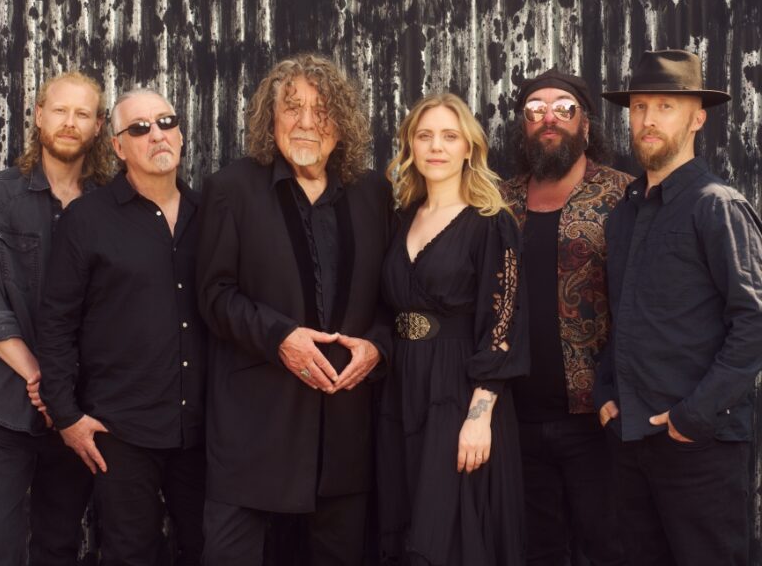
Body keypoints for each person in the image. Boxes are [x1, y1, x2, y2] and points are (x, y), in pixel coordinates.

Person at [196, 54, 392, 566]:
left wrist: (378, 347)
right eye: (292, 107)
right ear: (271, 118)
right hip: (254, 430)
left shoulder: (373, 193)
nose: (307, 122)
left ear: (341, 123)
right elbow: (214, 295)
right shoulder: (231, 189)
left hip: (343, 435)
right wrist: (279, 337)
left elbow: (393, 297)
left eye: (322, 109)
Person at [595, 49, 762, 566]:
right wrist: (606, 391)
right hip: (631, 440)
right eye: (639, 107)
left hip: (698, 445)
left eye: (666, 106)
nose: (648, 119)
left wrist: (693, 415)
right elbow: (622, 316)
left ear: (697, 119)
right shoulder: (624, 214)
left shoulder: (717, 205)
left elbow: (754, 321)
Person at [36, 88, 206, 565]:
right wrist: (66, 417)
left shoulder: (210, 214)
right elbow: (56, 323)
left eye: (166, 122)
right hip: (120, 433)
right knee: (130, 555)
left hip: (201, 432)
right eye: (139, 128)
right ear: (118, 146)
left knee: (211, 549)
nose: (157, 135)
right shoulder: (87, 219)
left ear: (181, 134)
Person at [0, 71, 111, 565]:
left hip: (78, 411)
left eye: (82, 114)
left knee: (59, 545)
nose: (70, 122)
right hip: (5, 406)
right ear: (39, 116)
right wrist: (42, 380)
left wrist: (63, 395)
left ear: (98, 127)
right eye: (60, 110)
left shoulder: (111, 207)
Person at [377, 93, 529, 566]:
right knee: (402, 518)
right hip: (401, 388)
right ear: (410, 146)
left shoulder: (491, 223)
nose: (436, 147)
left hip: (458, 390)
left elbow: (504, 322)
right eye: (424, 136)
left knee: (448, 532)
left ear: (469, 148)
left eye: (449, 136)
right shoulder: (401, 218)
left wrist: (479, 415)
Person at [500, 68, 629, 565]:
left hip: (598, 418)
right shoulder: (498, 201)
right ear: (524, 126)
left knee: (609, 547)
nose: (548, 118)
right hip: (516, 417)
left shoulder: (623, 196)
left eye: (563, 108)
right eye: (535, 110)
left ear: (585, 125)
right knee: (537, 550)